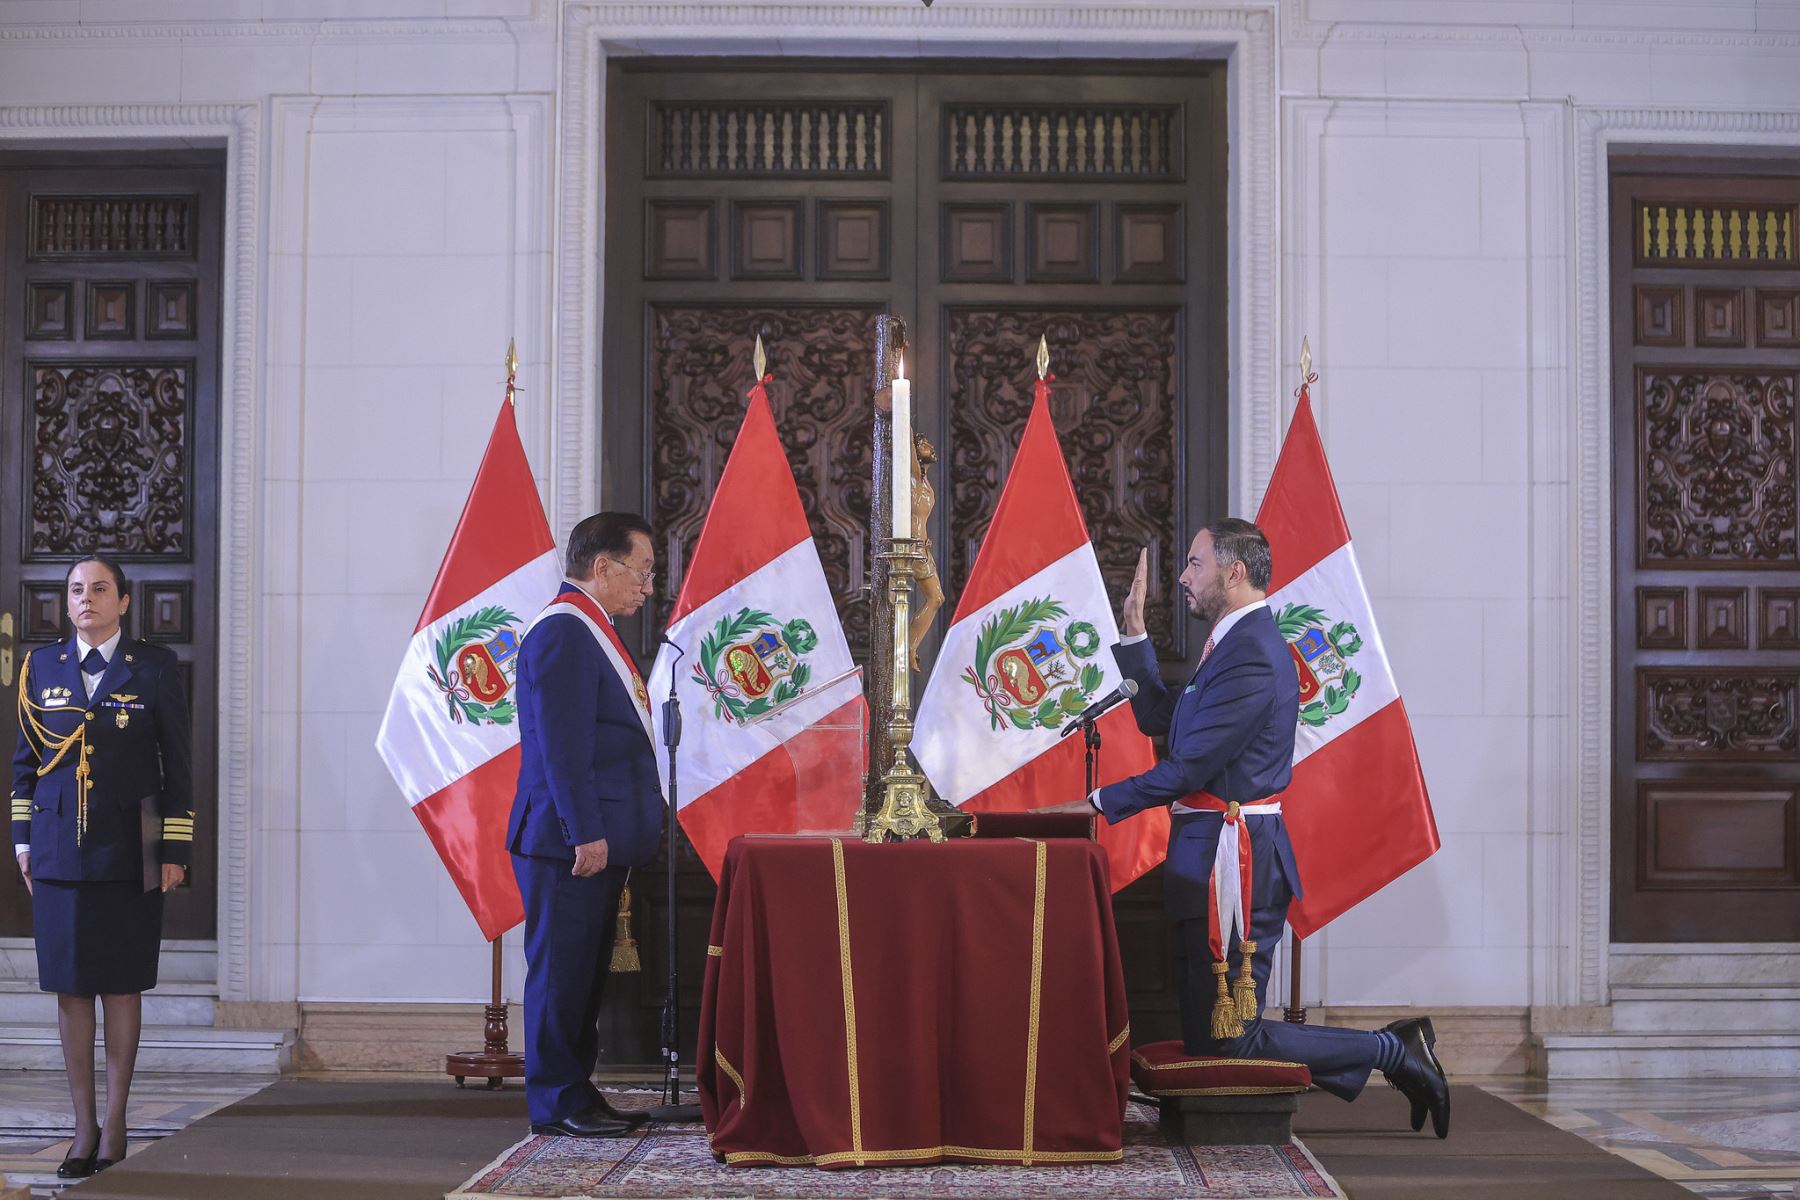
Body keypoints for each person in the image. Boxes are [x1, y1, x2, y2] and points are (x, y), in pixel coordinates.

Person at [1085, 519, 1450, 1137]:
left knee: (1235, 1037)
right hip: (1205, 858)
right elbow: (1162, 719)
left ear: (1234, 572)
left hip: (1238, 866)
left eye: (1196, 564)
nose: (1183, 577)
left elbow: (1191, 766)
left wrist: (1098, 802)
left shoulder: (1252, 651)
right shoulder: (1227, 645)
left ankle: (1393, 1050)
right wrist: (1135, 635)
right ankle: (1393, 1049)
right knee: (1208, 1037)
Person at [11, 555, 193, 1179]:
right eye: (75, 590)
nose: (85, 599)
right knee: (70, 986)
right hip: (58, 846)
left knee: (120, 983)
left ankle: (115, 1124)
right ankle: (82, 1127)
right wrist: (22, 840)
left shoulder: (155, 666)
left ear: (123, 602)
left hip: (129, 849)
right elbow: (25, 764)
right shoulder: (41, 667)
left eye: (99, 589)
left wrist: (175, 848)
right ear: (67, 603)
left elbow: (178, 765)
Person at [508, 512, 666, 1137]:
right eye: (642, 571)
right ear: (603, 566)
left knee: (583, 975)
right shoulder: (565, 632)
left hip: (588, 837)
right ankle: (554, 1101)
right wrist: (584, 831)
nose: (648, 587)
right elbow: (562, 747)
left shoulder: (591, 628)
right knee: (560, 974)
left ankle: (576, 1090)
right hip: (566, 841)